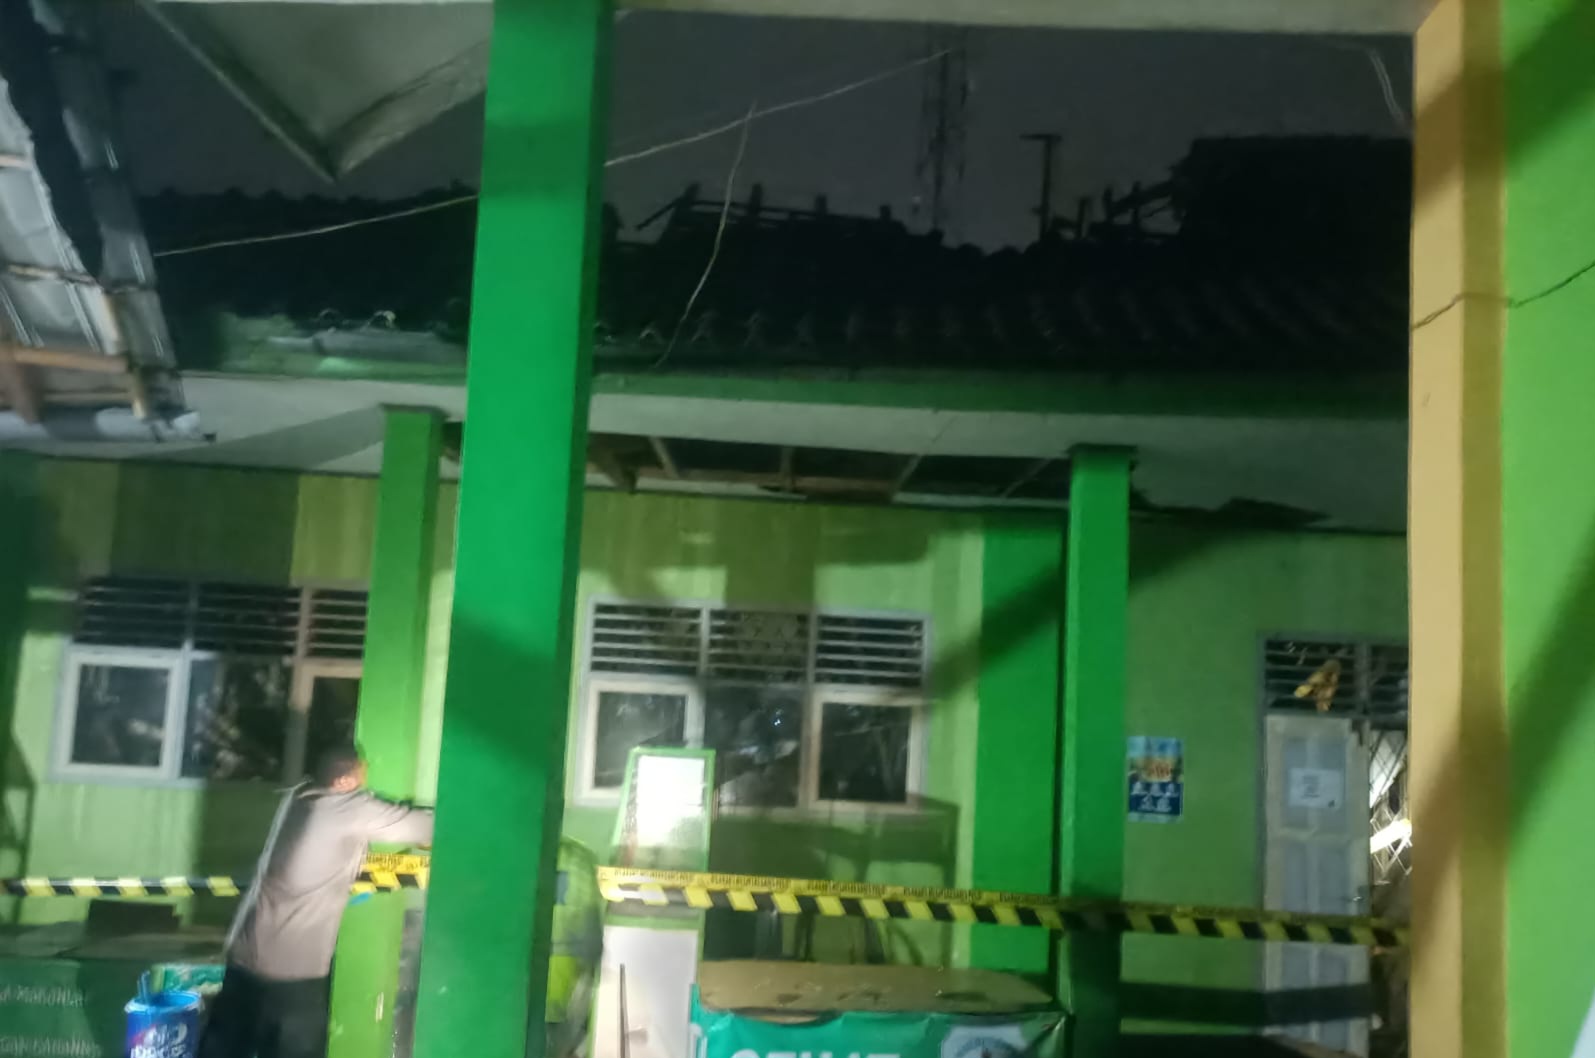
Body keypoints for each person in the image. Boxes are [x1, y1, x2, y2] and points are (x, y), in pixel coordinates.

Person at [199, 745, 434, 1058]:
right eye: (361, 778)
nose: (364, 787)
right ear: (344, 782)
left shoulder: (297, 799)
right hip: (294, 972)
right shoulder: (349, 808)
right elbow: (427, 827)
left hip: (244, 957)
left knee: (225, 1048)